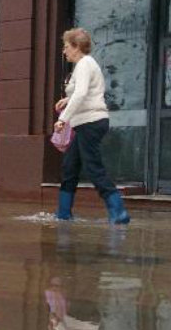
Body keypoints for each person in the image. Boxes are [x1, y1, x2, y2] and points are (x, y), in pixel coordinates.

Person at [54, 28, 130, 225]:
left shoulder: (85, 64)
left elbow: (81, 94)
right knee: (69, 166)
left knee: (93, 168)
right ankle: (63, 213)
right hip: (85, 124)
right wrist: (66, 100)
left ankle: (118, 211)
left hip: (91, 122)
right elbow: (83, 92)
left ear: (77, 47)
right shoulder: (83, 65)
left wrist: (63, 118)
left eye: (66, 47)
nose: (64, 51)